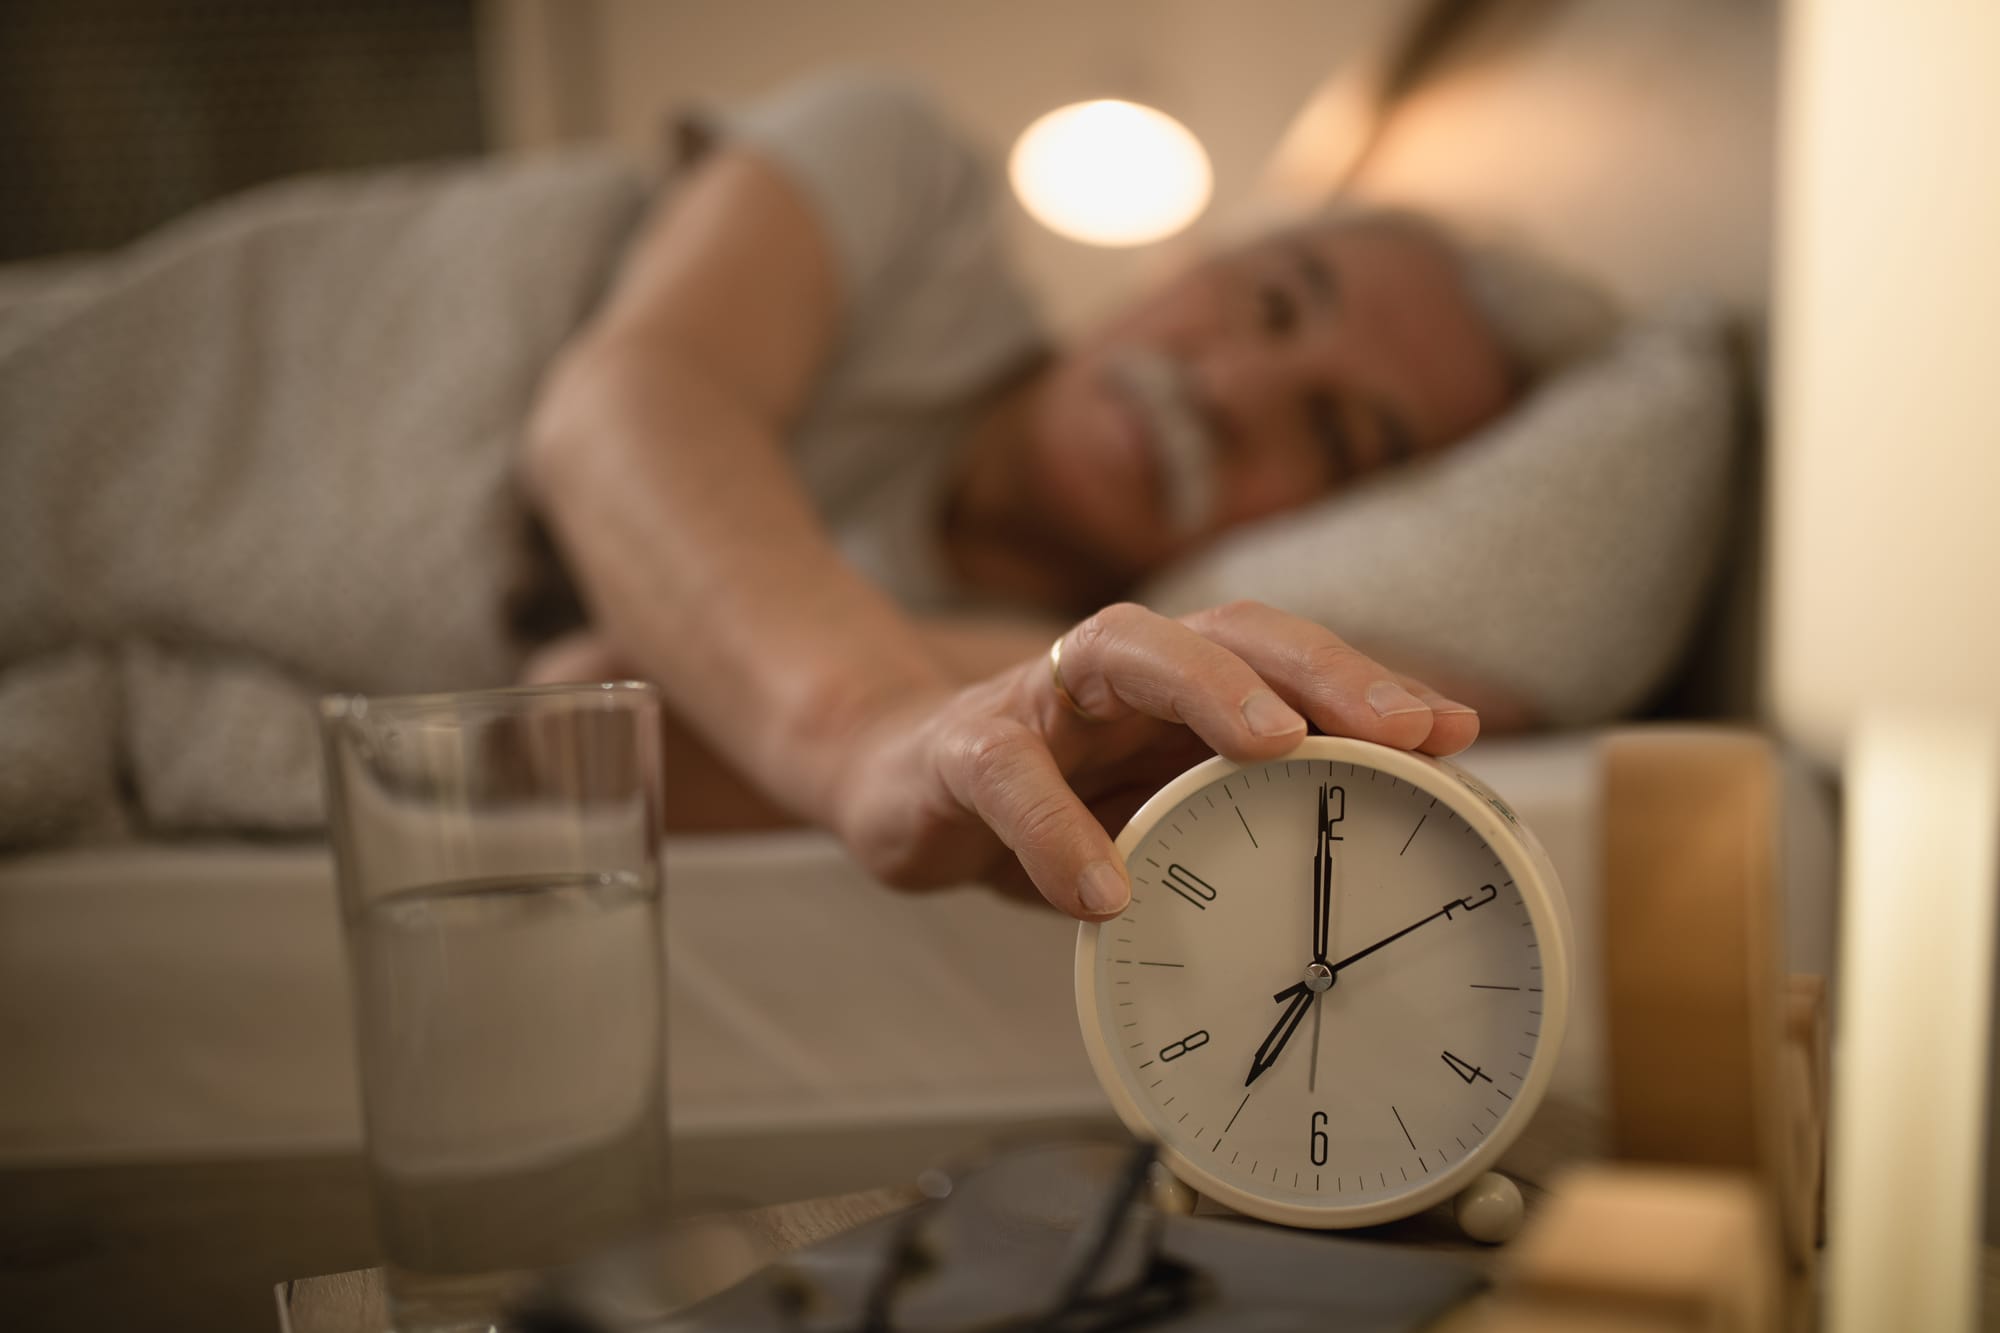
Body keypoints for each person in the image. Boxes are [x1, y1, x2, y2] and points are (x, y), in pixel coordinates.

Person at [514, 73, 1518, 922]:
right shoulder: (904, 181)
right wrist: (861, 727)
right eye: (1267, 303)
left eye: (1330, 436)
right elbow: (624, 404)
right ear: (1185, 261)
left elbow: (584, 717)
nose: (1224, 391)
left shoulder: (1088, 680)